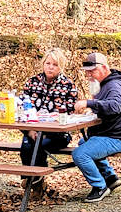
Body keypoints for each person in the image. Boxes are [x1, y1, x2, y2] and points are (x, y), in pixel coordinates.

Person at [72, 52, 121, 202]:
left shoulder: (114, 85)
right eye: (87, 71)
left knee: (80, 154)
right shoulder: (102, 84)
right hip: (106, 134)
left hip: (116, 137)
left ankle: (99, 186)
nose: (88, 75)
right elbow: (104, 107)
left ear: (104, 68)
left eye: (92, 71)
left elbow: (115, 106)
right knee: (83, 143)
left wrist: (89, 103)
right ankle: (110, 178)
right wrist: (91, 110)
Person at [19, 48, 78, 197]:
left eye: (55, 64)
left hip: (58, 134)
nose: (50, 67)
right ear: (43, 64)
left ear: (61, 67)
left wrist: (50, 125)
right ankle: (35, 182)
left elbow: (70, 112)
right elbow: (20, 107)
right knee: (26, 145)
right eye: (48, 63)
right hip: (32, 130)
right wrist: (30, 130)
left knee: (38, 145)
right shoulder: (32, 82)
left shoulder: (68, 85)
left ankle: (33, 179)